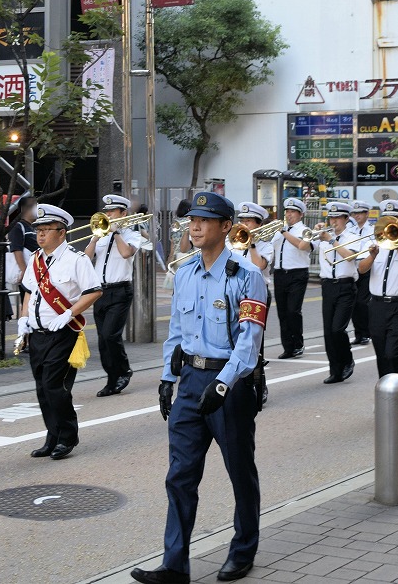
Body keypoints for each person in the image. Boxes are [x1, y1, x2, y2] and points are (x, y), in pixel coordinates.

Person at [131, 192, 266, 584]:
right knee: (180, 476)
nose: (195, 226)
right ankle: (175, 565)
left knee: (240, 471)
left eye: (205, 220)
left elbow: (249, 342)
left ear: (226, 227)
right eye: (192, 219)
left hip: (231, 384)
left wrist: (223, 385)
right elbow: (177, 331)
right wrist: (167, 378)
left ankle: (243, 552)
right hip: (190, 382)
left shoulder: (246, 275)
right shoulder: (185, 272)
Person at [17, 205, 101, 460]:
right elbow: (29, 291)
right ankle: (52, 436)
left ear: (62, 233)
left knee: (55, 386)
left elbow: (94, 291)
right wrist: (23, 320)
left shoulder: (77, 259)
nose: (40, 235)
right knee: (42, 388)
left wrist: (69, 313)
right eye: (38, 230)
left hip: (64, 332)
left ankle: (67, 437)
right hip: (38, 333)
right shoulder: (35, 259)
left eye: (45, 230)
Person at [356, 200, 398, 377]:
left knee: (393, 353)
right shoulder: (376, 240)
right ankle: (387, 394)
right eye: (388, 219)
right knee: (381, 355)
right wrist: (372, 256)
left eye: (396, 219)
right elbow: (361, 269)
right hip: (377, 305)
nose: (391, 224)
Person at [85, 195, 142, 397]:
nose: (107, 214)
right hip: (100, 291)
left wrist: (116, 233)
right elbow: (87, 258)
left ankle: (123, 371)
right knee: (102, 340)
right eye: (106, 211)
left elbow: (127, 253)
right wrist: (94, 237)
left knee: (111, 335)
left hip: (120, 290)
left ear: (123, 213)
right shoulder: (101, 234)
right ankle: (112, 378)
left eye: (112, 212)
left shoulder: (132, 234)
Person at [229, 202, 274, 405]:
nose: (244, 224)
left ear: (257, 223)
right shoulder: (233, 241)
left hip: (256, 296)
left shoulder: (266, 245)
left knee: (254, 342)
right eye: (242, 220)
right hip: (234, 294)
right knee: (233, 339)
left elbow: (259, 266)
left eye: (248, 221)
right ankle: (236, 384)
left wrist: (252, 243)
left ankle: (259, 384)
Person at [313, 201, 359, 383]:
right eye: (331, 217)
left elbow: (349, 256)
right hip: (327, 285)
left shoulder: (352, 236)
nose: (333, 221)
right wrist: (316, 233)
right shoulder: (325, 235)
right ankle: (335, 369)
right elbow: (303, 245)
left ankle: (347, 360)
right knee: (328, 332)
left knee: (338, 328)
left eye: (337, 218)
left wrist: (331, 240)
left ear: (346, 219)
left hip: (346, 285)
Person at [269, 197, 312, 360]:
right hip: (280, 274)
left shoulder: (305, 230)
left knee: (293, 311)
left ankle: (298, 344)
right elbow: (270, 249)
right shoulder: (280, 232)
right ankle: (288, 347)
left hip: (297, 274)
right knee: (282, 312)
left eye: (292, 212)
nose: (288, 214)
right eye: (287, 211)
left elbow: (303, 246)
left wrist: (283, 232)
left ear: (300, 214)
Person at [348, 200, 374, 345]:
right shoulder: (350, 231)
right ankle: (359, 333)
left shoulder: (373, 231)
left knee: (363, 303)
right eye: (355, 213)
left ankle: (366, 333)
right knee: (354, 304)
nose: (357, 216)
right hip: (352, 268)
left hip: (366, 268)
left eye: (360, 213)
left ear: (367, 214)